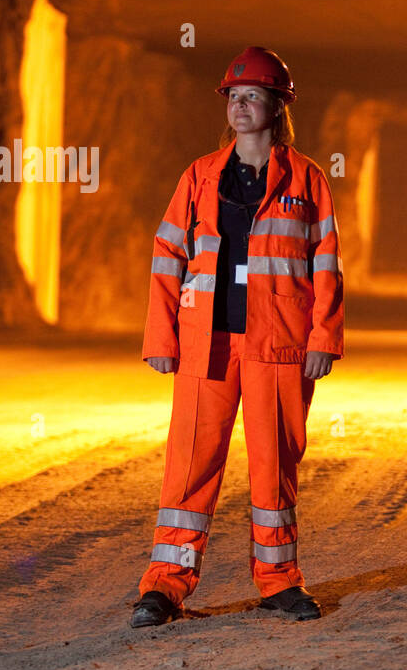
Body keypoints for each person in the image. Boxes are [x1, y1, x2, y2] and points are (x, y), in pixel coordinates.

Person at [130, 46, 344, 628]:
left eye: (253, 96)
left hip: (279, 344)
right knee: (189, 466)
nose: (241, 106)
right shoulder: (200, 176)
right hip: (210, 343)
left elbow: (326, 264)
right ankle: (165, 586)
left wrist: (324, 338)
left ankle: (278, 582)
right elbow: (167, 252)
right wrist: (162, 337)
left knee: (275, 465)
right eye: (233, 97)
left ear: (278, 106)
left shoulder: (308, 180)